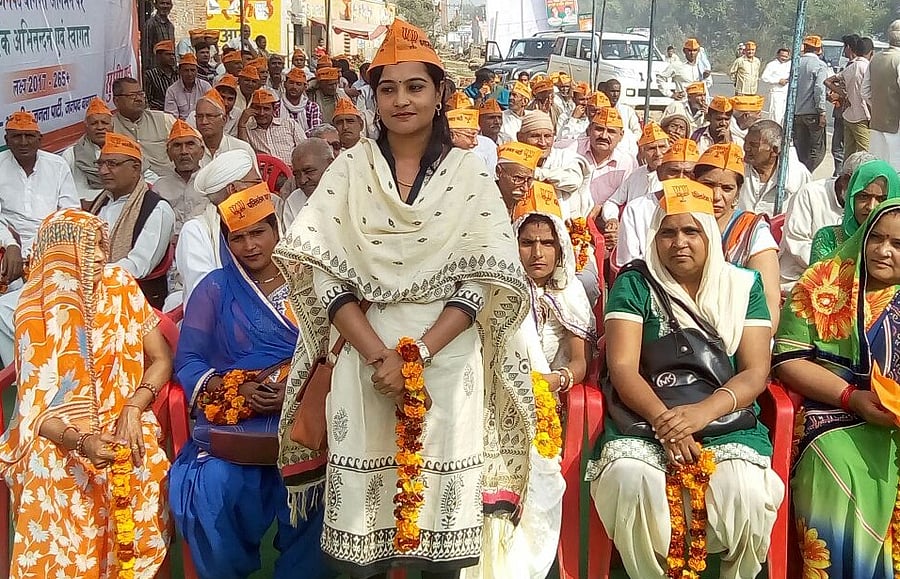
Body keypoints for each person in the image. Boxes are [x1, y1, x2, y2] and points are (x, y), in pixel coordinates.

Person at [273, 19, 533, 578]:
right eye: (387, 88)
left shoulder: (470, 174)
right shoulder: (349, 169)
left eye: (415, 87)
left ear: (440, 94)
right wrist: (378, 356)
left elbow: (484, 279)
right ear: (374, 98)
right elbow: (324, 275)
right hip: (365, 356)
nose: (401, 100)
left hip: (446, 356)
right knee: (361, 551)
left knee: (441, 548)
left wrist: (417, 356)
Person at [588, 177, 784, 579]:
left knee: (744, 491)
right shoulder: (636, 282)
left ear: (709, 233)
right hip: (644, 418)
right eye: (668, 232)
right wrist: (668, 424)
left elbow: (755, 372)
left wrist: (700, 415)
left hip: (725, 419)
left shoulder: (742, 285)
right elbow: (622, 367)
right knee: (630, 480)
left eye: (691, 230)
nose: (680, 242)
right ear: (655, 238)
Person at [0, 208, 173, 578]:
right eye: (87, 247)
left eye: (100, 245)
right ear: (61, 252)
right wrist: (82, 442)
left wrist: (132, 407)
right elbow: (35, 413)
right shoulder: (35, 309)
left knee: (140, 455)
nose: (99, 255)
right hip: (56, 432)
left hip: (123, 413)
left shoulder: (121, 285)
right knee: (45, 474)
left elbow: (160, 359)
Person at [170, 183, 328, 578]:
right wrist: (236, 388)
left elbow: (333, 351)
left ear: (278, 230)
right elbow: (188, 359)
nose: (250, 246)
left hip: (307, 414)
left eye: (258, 232)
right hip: (236, 421)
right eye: (237, 237)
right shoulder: (215, 288)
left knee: (321, 485)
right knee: (212, 484)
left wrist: (294, 390)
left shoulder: (310, 283)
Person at [773, 197, 900, 579]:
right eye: (875, 237)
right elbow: (789, 360)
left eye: (897, 244)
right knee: (836, 465)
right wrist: (852, 398)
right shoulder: (821, 284)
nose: (882, 250)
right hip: (834, 413)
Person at [694, 143, 781, 329]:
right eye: (708, 185)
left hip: (740, 330)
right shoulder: (678, 223)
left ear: (737, 194)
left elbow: (769, 306)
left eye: (727, 189)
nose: (716, 196)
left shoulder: (752, 232)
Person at [514, 183, 593, 383]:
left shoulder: (571, 290)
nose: (537, 253)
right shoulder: (502, 290)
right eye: (527, 243)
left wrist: (554, 380)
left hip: (553, 390)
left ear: (561, 248)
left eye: (548, 243)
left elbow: (580, 361)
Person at [88, 133, 175, 308]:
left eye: (112, 164)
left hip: (135, 303)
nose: (104, 171)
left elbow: (138, 266)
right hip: (93, 291)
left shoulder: (156, 209)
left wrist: (88, 276)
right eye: (101, 164)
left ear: (135, 168)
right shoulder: (101, 201)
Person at [175, 150, 263, 307]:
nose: (264, 189)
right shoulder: (195, 231)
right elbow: (204, 294)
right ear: (234, 190)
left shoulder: (265, 223)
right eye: (256, 183)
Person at [779, 151, 877, 292]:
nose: (870, 203)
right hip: (798, 278)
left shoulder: (869, 205)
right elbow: (796, 242)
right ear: (845, 180)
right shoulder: (810, 194)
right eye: (862, 192)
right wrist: (836, 268)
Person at [614, 138, 700, 267]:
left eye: (688, 173)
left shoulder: (704, 208)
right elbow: (629, 262)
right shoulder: (636, 209)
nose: (681, 179)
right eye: (673, 172)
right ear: (660, 174)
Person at [810, 160, 900, 263]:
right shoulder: (828, 238)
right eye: (863, 196)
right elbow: (816, 277)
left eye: (882, 199)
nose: (871, 207)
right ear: (851, 199)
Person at [519, 111, 591, 221]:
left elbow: (573, 181)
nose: (542, 142)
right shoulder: (513, 160)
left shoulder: (565, 157)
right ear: (520, 137)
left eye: (548, 136)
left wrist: (537, 174)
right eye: (535, 136)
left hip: (566, 227)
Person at [601, 122, 669, 227]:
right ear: (642, 151)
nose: (658, 153)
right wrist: (612, 219)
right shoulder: (636, 175)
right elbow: (612, 202)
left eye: (662, 147)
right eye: (652, 148)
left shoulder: (674, 175)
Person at [739, 120, 811, 216]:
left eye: (754, 145)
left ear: (774, 150)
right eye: (746, 142)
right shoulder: (738, 168)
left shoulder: (798, 175)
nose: (746, 148)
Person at [111, 76, 177, 181]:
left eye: (140, 94)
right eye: (132, 95)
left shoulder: (164, 119)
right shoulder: (109, 127)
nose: (138, 99)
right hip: (130, 187)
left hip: (168, 183)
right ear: (116, 101)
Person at [154, 120, 206, 234]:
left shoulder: (212, 183)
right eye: (177, 146)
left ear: (201, 152)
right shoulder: (159, 187)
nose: (184, 151)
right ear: (169, 154)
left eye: (190, 145)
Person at [862, 20, 900, 172]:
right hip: (896, 127)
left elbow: (864, 91)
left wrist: (879, 106)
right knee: (895, 171)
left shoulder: (875, 58)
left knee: (878, 169)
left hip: (877, 125)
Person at [61, 97, 114, 205]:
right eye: (94, 123)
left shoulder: (125, 152)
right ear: (86, 126)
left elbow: (148, 177)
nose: (100, 127)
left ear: (112, 126)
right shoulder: (71, 155)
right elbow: (60, 189)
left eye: (104, 123)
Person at [826, 36, 872, 159]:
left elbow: (828, 81)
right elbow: (867, 95)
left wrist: (844, 94)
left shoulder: (851, 67)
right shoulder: (868, 68)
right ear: (871, 52)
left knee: (849, 154)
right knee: (866, 154)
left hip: (848, 115)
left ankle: (846, 176)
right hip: (862, 116)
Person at [239, 89, 306, 165]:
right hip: (265, 173)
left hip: (291, 171)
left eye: (266, 109)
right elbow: (244, 153)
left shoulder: (289, 124)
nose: (262, 113)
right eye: (257, 108)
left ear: (274, 110)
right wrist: (242, 124)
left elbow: (304, 149)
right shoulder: (247, 130)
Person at [794, 35, 830, 172]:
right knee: (817, 150)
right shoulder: (820, 65)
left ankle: (800, 174)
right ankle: (807, 174)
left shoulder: (796, 63)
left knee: (800, 150)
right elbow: (819, 88)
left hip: (797, 113)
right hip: (813, 114)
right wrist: (822, 111)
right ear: (819, 49)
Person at [279, 138, 335, 227]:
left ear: (331, 164)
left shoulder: (354, 192)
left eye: (309, 171)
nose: (302, 180)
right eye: (296, 175)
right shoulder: (294, 201)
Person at [195, 89, 258, 165]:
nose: (204, 122)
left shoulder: (241, 149)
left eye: (210, 116)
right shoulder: (189, 151)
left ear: (224, 120)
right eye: (199, 116)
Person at [495, 142, 543, 216]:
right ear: (498, 172)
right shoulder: (484, 201)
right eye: (518, 179)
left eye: (530, 180)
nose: (525, 188)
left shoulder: (532, 205)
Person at [165, 52, 213, 120]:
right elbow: (171, 117)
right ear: (180, 71)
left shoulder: (205, 87)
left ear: (197, 71)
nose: (189, 74)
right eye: (186, 70)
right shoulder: (172, 91)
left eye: (192, 70)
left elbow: (211, 110)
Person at [448, 108, 497, 173]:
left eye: (476, 136)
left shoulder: (487, 145)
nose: (475, 143)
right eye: (470, 136)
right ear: (452, 135)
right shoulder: (439, 157)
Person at [281, 68, 322, 133]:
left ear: (305, 87)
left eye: (298, 84)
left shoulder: (312, 107)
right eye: (291, 83)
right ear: (284, 84)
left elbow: (315, 132)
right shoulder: (276, 106)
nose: (294, 87)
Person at [144, 40, 178, 111]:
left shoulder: (179, 73)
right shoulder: (150, 75)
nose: (172, 57)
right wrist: (168, 106)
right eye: (168, 54)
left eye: (173, 54)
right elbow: (149, 100)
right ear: (158, 56)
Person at [761, 48, 791, 124]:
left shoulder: (788, 65)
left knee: (784, 115)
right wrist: (778, 80)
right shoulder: (772, 65)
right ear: (778, 55)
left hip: (786, 93)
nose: (784, 58)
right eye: (782, 56)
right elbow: (764, 77)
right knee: (775, 115)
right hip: (776, 92)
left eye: (786, 56)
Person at [145, 0, 174, 66]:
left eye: (167, 4)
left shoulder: (171, 26)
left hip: (169, 68)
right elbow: (146, 48)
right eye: (162, 3)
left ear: (171, 6)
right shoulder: (150, 24)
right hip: (155, 68)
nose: (165, 6)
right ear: (156, 5)